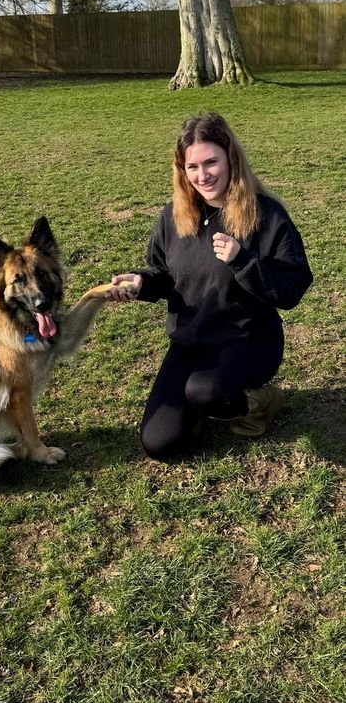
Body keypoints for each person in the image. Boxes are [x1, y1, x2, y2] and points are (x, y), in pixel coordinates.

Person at [107, 112, 313, 460]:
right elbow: (164, 275)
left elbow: (292, 287)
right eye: (193, 167)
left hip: (248, 340)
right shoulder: (174, 216)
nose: (203, 175)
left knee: (207, 390)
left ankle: (260, 401)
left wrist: (243, 261)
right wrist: (140, 283)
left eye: (211, 162)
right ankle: (204, 407)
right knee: (160, 443)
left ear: (231, 159)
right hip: (191, 343)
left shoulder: (267, 214)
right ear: (182, 170)